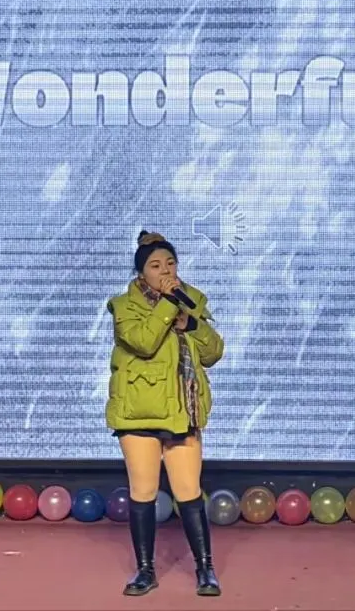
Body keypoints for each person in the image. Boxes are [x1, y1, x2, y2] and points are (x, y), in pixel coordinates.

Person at [106, 230, 225, 597]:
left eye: (170, 263)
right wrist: (169, 305)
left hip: (181, 410)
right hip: (139, 411)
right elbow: (143, 342)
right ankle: (145, 571)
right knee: (143, 492)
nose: (166, 271)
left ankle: (205, 569)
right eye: (156, 266)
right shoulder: (125, 306)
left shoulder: (192, 300)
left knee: (189, 492)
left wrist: (194, 324)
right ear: (142, 272)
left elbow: (213, 353)